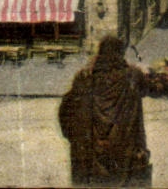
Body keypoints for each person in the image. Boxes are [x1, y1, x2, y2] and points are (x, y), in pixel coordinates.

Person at [58, 35, 152, 188]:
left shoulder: (84, 78)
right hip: (125, 155)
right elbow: (146, 89)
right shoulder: (133, 75)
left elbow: (66, 112)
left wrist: (77, 139)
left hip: (90, 158)